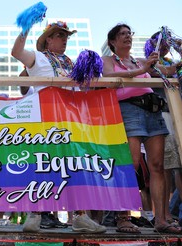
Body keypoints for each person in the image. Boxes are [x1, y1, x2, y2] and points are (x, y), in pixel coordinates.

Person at [11, 21, 106, 233]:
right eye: (60, 35)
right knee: (42, 164)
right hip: (42, 119)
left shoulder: (71, 63)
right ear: (48, 39)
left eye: (66, 36)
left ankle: (80, 217)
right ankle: (34, 215)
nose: (65, 39)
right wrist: (26, 27)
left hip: (68, 119)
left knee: (73, 165)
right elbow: (16, 51)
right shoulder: (38, 57)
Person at [102, 23, 181, 233]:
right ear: (112, 41)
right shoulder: (108, 60)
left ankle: (161, 220)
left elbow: (169, 71)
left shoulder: (140, 61)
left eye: (129, 33)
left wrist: (179, 54)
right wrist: (142, 70)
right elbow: (107, 77)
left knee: (157, 165)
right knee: (131, 163)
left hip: (152, 109)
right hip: (129, 110)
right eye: (122, 34)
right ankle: (123, 217)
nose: (127, 36)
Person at [144, 30, 182, 227]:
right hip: (161, 115)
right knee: (165, 168)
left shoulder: (167, 62)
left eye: (168, 43)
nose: (165, 46)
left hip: (176, 116)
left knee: (175, 167)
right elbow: (159, 72)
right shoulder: (147, 61)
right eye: (161, 42)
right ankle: (164, 214)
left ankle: (171, 213)